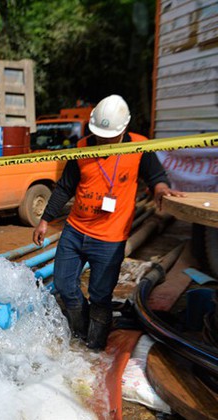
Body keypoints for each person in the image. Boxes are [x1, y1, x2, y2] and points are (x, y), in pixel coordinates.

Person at [32, 94, 184, 350]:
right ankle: (80, 334)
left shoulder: (139, 147)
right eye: (99, 134)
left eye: (109, 135)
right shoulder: (83, 148)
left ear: (124, 128)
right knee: (64, 285)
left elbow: (156, 176)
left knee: (101, 295)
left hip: (110, 239)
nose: (103, 139)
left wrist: (160, 188)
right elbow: (65, 187)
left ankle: (96, 345)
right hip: (75, 230)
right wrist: (45, 220)